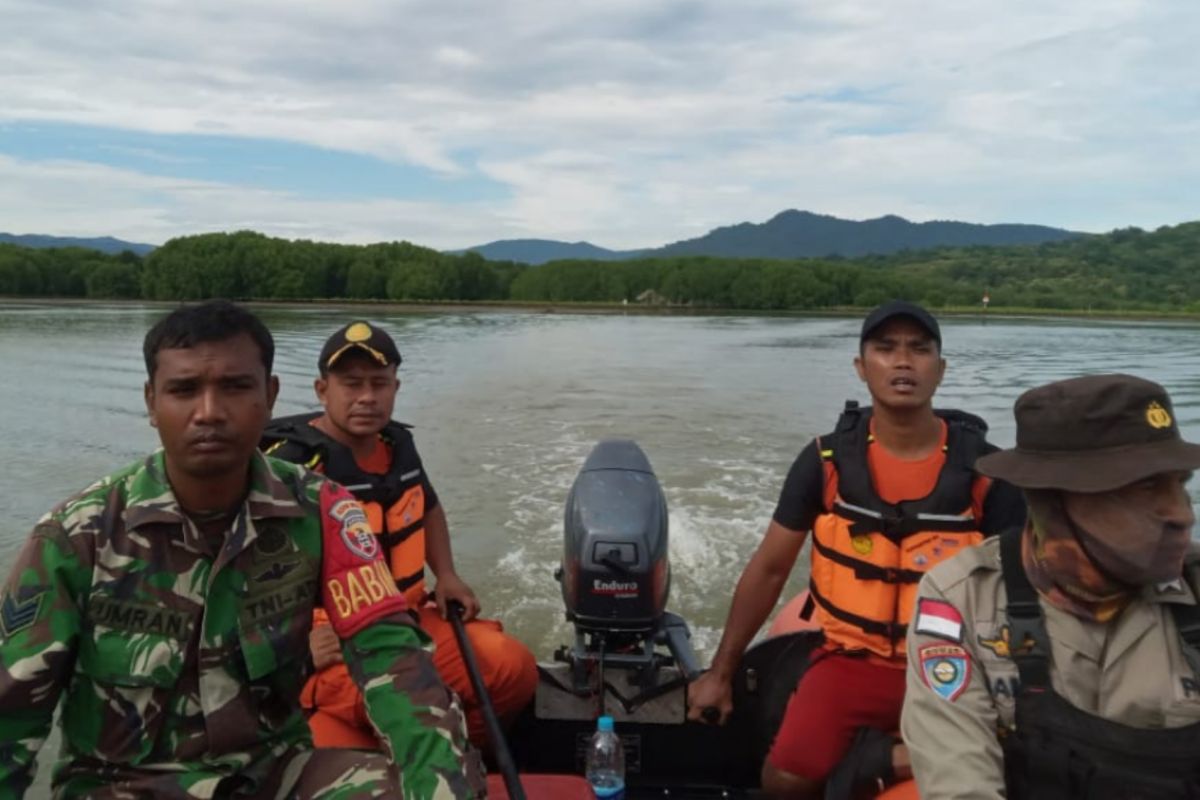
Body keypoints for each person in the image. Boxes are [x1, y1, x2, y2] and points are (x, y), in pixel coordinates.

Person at [0, 301, 485, 799]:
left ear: (270, 395)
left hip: (273, 774)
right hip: (125, 785)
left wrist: (439, 786)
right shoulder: (78, 536)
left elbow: (392, 656)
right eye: (183, 390)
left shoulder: (323, 512)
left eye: (235, 387)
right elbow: (10, 716)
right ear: (151, 402)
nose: (209, 412)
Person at [686, 300, 1025, 799]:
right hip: (851, 661)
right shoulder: (823, 462)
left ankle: (879, 762)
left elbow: (1023, 593)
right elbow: (770, 569)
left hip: (955, 667)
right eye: (886, 349)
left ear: (941, 368)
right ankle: (884, 761)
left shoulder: (991, 474)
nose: (904, 361)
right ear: (861, 368)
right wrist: (720, 673)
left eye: (920, 349)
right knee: (782, 780)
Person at [902, 373, 1200, 799]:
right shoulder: (964, 597)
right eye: (1147, 487)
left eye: (1180, 485)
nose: (1181, 515)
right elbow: (960, 784)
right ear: (1051, 505)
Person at [262, 320, 537, 750]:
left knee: (511, 668)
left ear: (396, 387)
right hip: (337, 643)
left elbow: (425, 506)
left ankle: (466, 760)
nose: (367, 397)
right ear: (321, 390)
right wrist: (293, 643)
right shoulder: (289, 467)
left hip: (408, 619)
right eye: (351, 384)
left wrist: (445, 574)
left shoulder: (398, 446)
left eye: (380, 383)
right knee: (407, 709)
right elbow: (246, 571)